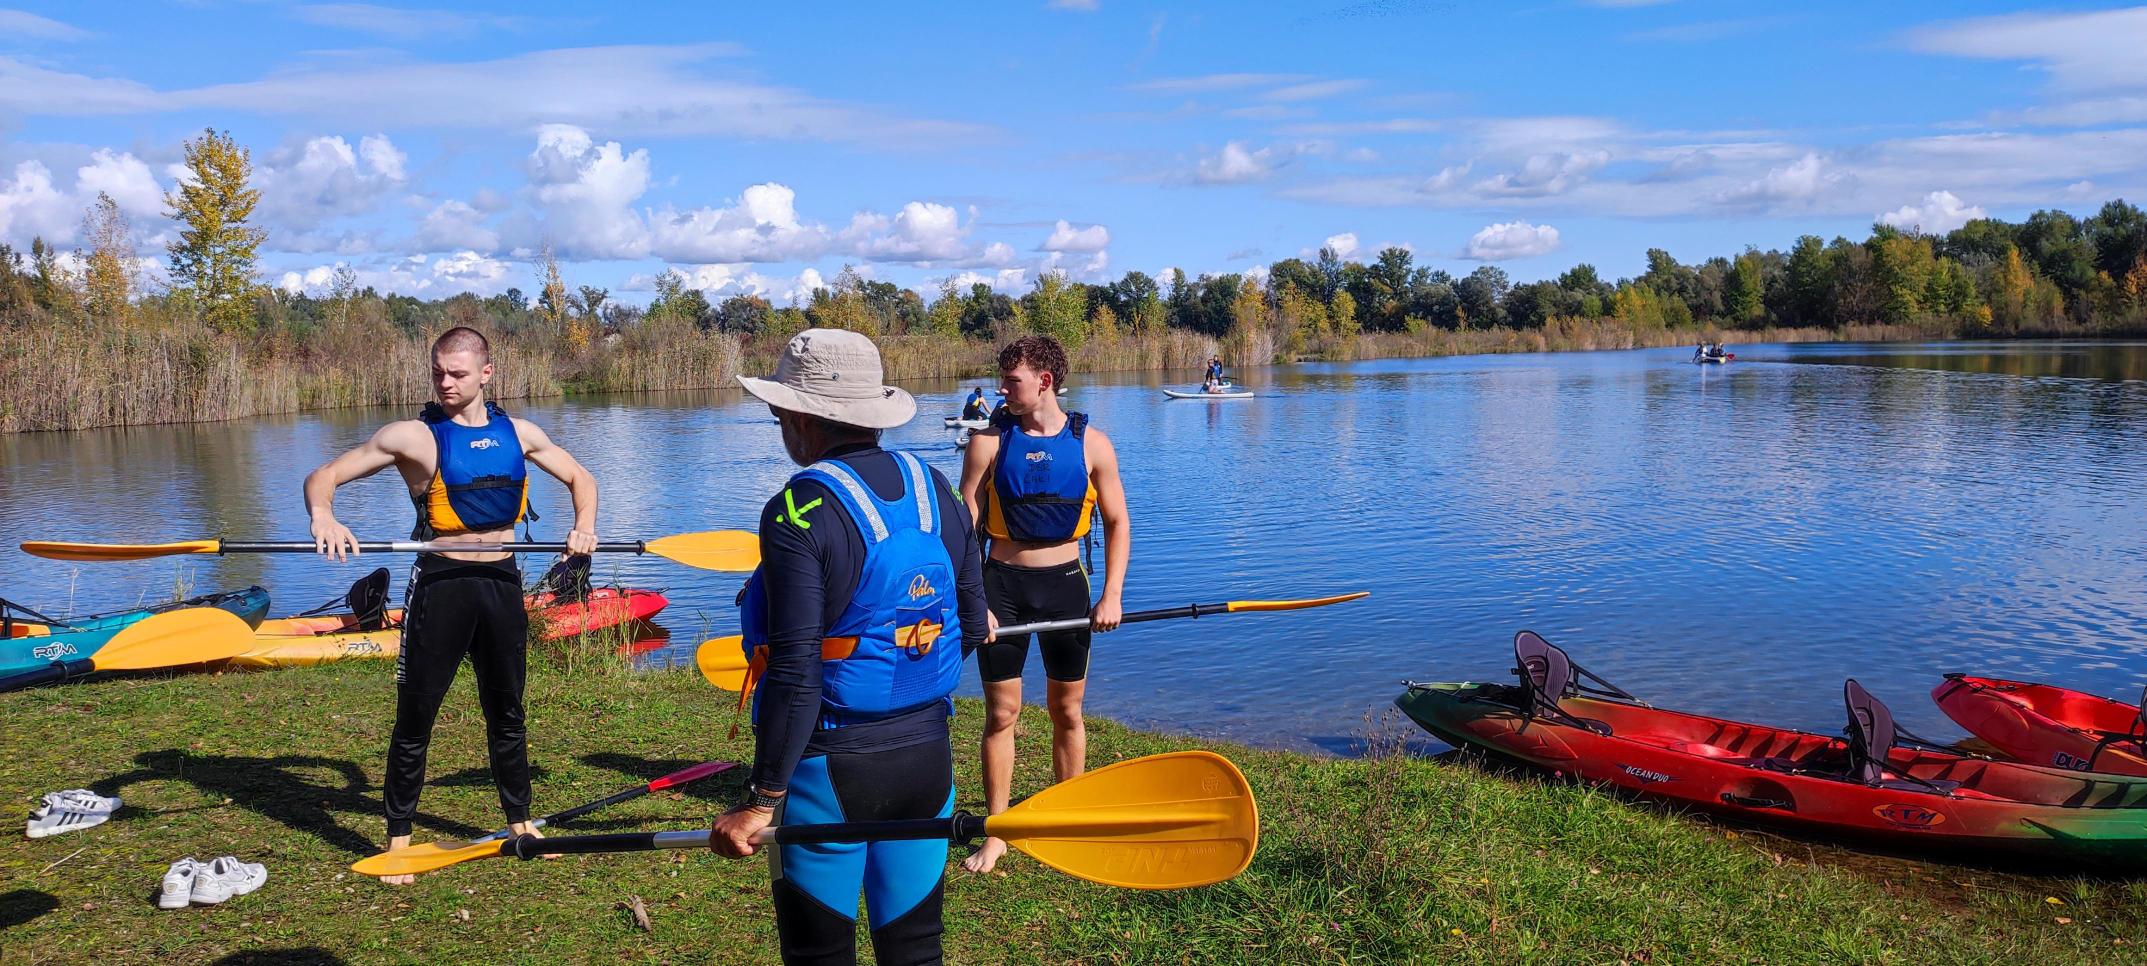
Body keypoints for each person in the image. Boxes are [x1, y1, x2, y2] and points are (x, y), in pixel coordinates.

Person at [711, 329, 988, 965]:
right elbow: (971, 625)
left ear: (804, 418)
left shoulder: (796, 509)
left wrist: (761, 801)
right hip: (928, 758)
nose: (780, 424)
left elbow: (795, 671)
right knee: (915, 950)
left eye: (780, 413)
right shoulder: (939, 489)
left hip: (828, 772)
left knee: (819, 956)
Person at [303, 326, 600, 885]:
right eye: (438, 372)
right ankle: (398, 841)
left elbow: (581, 477)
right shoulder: (412, 437)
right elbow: (325, 476)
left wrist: (584, 525)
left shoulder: (521, 433)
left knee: (507, 712)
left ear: (486, 374)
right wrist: (324, 515)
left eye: (457, 373)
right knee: (416, 717)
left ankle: (520, 823)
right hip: (441, 586)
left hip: (502, 585)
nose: (445, 382)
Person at [956, 334, 1129, 875]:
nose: (1002, 390)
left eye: (1012, 381)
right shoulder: (986, 444)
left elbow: (1118, 522)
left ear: (1044, 381)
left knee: (1067, 711)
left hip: (1066, 587)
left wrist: (1112, 594)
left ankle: (1066, 820)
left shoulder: (1092, 444)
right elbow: (963, 531)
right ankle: (999, 831)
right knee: (1001, 713)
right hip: (1001, 590)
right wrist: (973, 599)